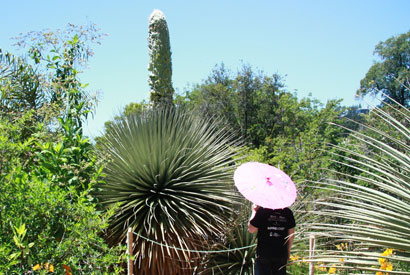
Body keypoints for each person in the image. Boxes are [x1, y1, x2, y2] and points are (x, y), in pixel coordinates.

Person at [248, 204, 296, 275]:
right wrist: (288, 250)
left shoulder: (262, 211)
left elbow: (251, 229)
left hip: (263, 253)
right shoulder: (287, 212)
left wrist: (254, 212)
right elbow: (291, 235)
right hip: (281, 253)